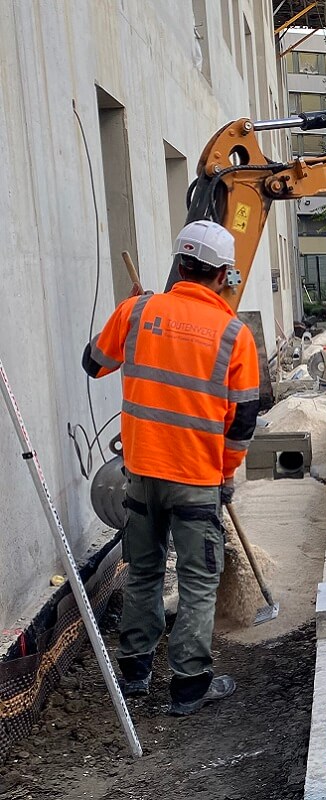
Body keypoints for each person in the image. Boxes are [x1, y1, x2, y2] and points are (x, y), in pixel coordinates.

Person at [82, 220, 260, 716]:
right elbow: (243, 418)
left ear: (180, 265)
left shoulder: (138, 311)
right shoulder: (233, 333)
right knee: (198, 580)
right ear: (223, 275)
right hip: (196, 480)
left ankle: (134, 672)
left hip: (140, 475)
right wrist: (226, 472)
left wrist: (132, 318)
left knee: (142, 572)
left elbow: (92, 363)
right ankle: (188, 685)